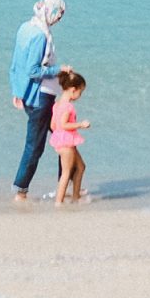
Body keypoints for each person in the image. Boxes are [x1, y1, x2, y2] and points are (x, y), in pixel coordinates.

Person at [9, 0, 68, 198]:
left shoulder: (25, 28)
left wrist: (17, 91)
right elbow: (33, 70)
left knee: (65, 139)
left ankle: (66, 184)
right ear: (49, 11)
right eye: (58, 15)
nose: (58, 20)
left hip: (33, 95)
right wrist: (59, 70)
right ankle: (21, 189)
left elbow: (16, 63)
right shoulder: (40, 36)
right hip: (40, 97)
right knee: (36, 145)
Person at [51, 70, 90, 205]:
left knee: (81, 166)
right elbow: (63, 124)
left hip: (61, 141)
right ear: (73, 90)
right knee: (66, 173)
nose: (80, 95)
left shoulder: (57, 104)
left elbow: (53, 125)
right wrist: (80, 124)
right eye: (80, 92)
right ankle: (58, 202)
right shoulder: (68, 106)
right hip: (66, 143)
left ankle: (76, 197)